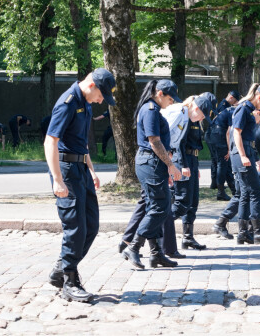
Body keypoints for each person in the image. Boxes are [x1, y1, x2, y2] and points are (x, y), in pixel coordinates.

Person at [45, 68, 116, 303]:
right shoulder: (67, 102)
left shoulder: (84, 103)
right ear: (92, 85)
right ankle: (69, 281)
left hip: (81, 169)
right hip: (66, 170)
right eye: (102, 96)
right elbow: (50, 141)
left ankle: (60, 268)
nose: (101, 101)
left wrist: (92, 170)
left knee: (91, 225)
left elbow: (81, 143)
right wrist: (57, 179)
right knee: (75, 227)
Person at [121, 79, 182, 270]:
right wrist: (171, 165)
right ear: (160, 94)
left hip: (152, 163)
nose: (171, 103)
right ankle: (134, 247)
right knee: (160, 207)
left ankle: (156, 254)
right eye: (170, 98)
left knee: (156, 207)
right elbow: (154, 141)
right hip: (151, 163)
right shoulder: (150, 110)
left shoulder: (152, 109)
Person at [160, 94, 213, 257]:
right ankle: (158, 230)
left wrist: (194, 167)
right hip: (183, 159)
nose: (203, 118)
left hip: (192, 160)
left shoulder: (194, 118)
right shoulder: (184, 116)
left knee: (193, 202)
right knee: (182, 202)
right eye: (203, 114)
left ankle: (188, 237)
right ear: (196, 108)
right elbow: (178, 144)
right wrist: (183, 165)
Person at [228, 83, 260, 245]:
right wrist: (242, 155)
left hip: (246, 153)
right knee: (256, 191)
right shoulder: (243, 109)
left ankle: (243, 233)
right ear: (259, 97)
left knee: (246, 194)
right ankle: (257, 231)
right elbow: (236, 133)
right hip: (241, 154)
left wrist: (254, 158)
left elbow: (248, 137)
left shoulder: (248, 110)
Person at [209, 94, 239, 201]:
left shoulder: (228, 110)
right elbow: (228, 132)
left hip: (213, 134)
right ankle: (221, 192)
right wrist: (229, 149)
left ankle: (234, 190)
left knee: (224, 164)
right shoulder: (234, 112)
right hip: (220, 135)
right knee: (223, 162)